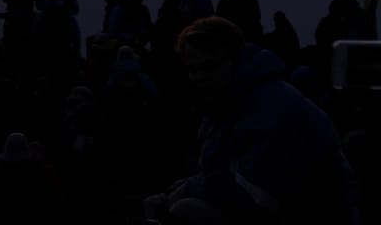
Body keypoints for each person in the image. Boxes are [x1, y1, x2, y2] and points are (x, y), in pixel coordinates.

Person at [144, 17, 359, 224]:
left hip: (313, 218)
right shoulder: (226, 106)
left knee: (187, 211)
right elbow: (218, 174)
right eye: (192, 70)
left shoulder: (274, 106)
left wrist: (188, 190)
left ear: (236, 59)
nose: (199, 77)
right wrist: (173, 192)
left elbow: (256, 194)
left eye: (211, 66)